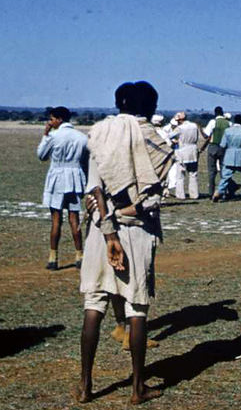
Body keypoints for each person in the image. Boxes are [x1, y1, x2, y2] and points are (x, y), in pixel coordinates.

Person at [75, 81, 173, 405]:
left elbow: (94, 190)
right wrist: (122, 216)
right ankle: (137, 388)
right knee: (137, 310)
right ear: (152, 107)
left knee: (94, 305)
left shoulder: (103, 135)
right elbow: (152, 200)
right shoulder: (159, 142)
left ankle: (86, 386)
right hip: (137, 232)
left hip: (101, 231)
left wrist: (107, 226)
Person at [37, 106, 89, 270]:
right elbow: (85, 161)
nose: (50, 122)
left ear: (59, 119)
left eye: (51, 119)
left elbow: (42, 155)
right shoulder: (82, 137)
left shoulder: (53, 136)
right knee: (74, 219)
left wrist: (45, 135)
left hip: (58, 179)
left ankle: (53, 258)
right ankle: (79, 255)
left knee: (56, 220)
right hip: (74, 178)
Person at [212, 115, 241, 202]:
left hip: (229, 155)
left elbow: (223, 145)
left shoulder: (227, 131)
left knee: (225, 177)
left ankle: (219, 191)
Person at [169, 112, 203, 199]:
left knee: (180, 175)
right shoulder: (194, 126)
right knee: (193, 174)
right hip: (193, 150)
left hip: (182, 150)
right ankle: (194, 194)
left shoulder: (180, 128)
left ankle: (180, 195)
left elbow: (169, 136)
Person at [200, 106, 230, 196]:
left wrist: (200, 129)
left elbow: (206, 135)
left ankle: (211, 192)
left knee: (212, 171)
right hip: (224, 148)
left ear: (215, 113)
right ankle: (223, 192)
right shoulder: (228, 123)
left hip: (213, 146)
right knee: (223, 171)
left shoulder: (213, 122)